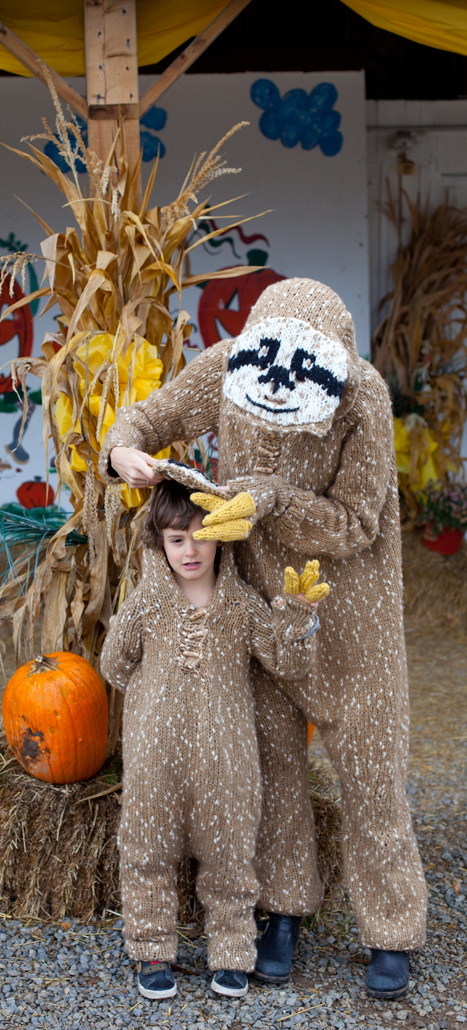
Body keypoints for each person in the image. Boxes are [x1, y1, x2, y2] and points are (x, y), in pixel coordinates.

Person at [99, 278, 428, 1000]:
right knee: (275, 765)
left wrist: (270, 499)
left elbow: (355, 523)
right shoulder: (226, 365)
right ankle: (283, 911)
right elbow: (147, 417)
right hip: (255, 600)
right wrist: (122, 449)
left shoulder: (363, 399)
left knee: (370, 768)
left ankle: (392, 928)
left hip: (348, 611)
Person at [100, 478, 326, 1001]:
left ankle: (231, 953)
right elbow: (114, 665)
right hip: (156, 758)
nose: (191, 549)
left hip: (228, 761)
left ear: (223, 538)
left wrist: (295, 619)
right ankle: (152, 949)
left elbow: (287, 666)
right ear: (159, 542)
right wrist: (157, 698)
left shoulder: (242, 605)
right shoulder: (145, 604)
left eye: (202, 535)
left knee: (229, 857)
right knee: (147, 850)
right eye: (176, 538)